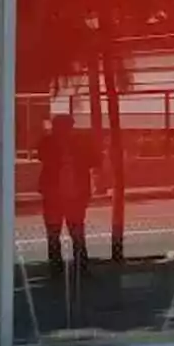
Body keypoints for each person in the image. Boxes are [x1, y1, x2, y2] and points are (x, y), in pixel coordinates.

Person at [37, 114, 98, 274]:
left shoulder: (80, 143)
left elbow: (94, 159)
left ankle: (80, 265)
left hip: (74, 194)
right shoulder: (48, 143)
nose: (63, 131)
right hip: (54, 195)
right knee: (54, 232)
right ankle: (57, 267)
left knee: (76, 231)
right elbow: (43, 156)